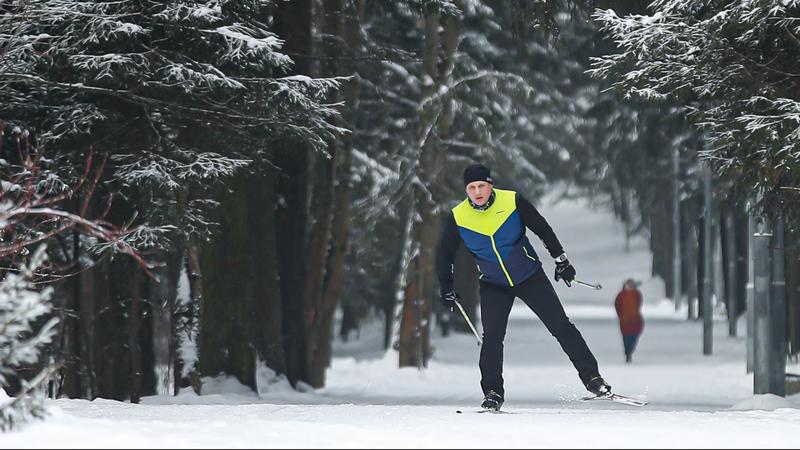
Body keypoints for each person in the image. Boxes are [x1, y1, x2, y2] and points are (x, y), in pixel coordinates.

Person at [435, 163, 611, 411]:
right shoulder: (458, 216)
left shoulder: (512, 201)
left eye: (481, 186)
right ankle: (493, 393)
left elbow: (542, 228)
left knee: (561, 326)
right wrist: (445, 287)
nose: (477, 192)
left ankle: (593, 379)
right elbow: (445, 255)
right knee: (492, 338)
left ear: (490, 185)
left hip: (529, 277)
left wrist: (561, 261)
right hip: (494, 284)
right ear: (466, 190)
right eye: (472, 187)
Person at [615, 278, 644, 363]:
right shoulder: (621, 294)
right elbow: (617, 305)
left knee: (634, 336)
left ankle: (630, 350)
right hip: (625, 320)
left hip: (635, 320)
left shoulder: (636, 293)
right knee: (626, 337)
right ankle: (628, 352)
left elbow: (639, 303)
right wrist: (621, 315)